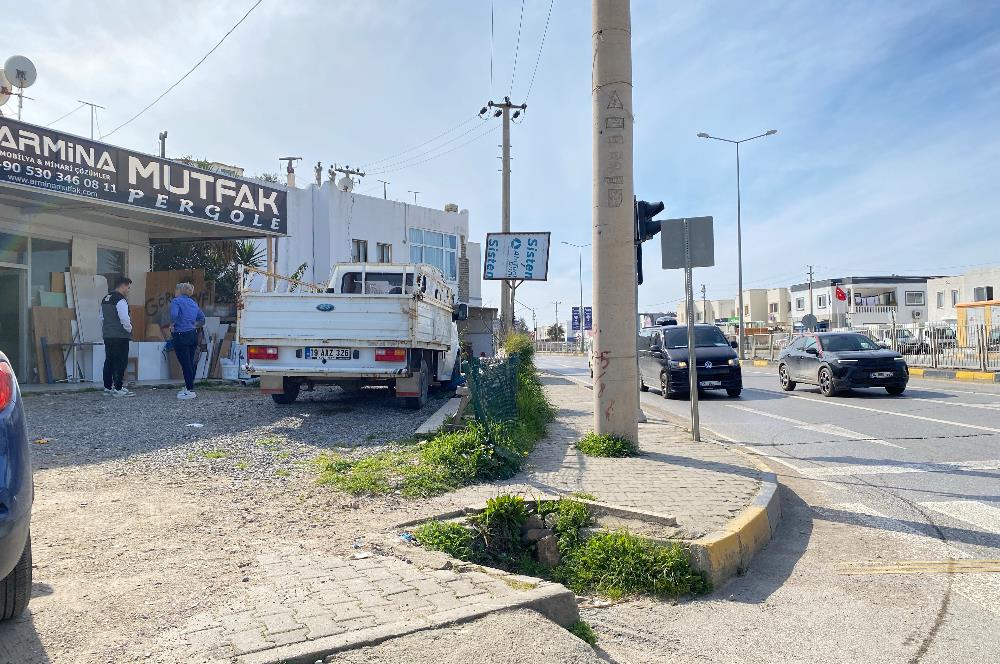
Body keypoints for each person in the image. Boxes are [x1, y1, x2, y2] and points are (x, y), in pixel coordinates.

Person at [99, 276, 135, 397]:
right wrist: (129, 329)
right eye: (128, 287)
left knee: (109, 360)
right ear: (123, 285)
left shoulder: (105, 298)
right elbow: (124, 318)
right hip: (120, 336)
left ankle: (107, 387)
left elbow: (101, 317)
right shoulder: (120, 300)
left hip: (108, 335)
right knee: (120, 361)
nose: (128, 290)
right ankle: (118, 388)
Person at [170, 282, 205, 400]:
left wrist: (173, 324)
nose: (175, 292)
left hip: (180, 334)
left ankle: (189, 389)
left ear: (179, 291)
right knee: (190, 362)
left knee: (184, 363)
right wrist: (192, 324)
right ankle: (189, 386)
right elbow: (202, 318)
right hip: (192, 334)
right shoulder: (193, 303)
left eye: (175, 290)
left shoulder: (176, 301)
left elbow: (174, 314)